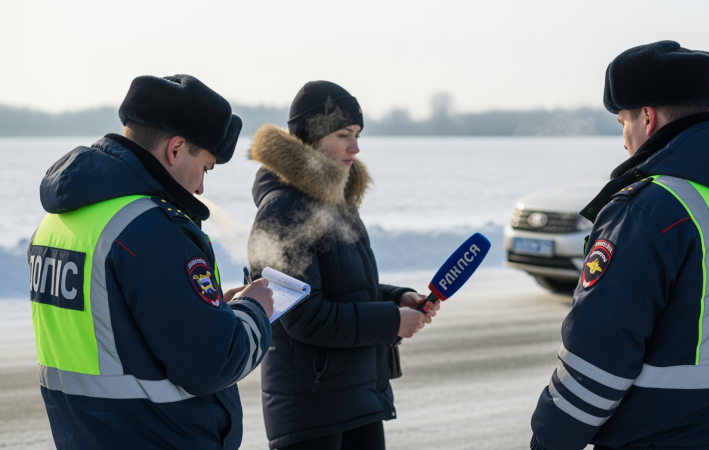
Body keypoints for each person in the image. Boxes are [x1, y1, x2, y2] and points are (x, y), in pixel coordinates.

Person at [530, 41, 709, 450]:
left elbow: (597, 358)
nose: (625, 141)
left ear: (646, 117)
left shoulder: (649, 211)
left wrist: (549, 442)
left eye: (623, 122)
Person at [29, 74, 274, 449]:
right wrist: (255, 310)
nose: (201, 189)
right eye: (206, 167)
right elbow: (213, 364)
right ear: (175, 149)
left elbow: (115, 335)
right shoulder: (153, 229)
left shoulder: (56, 222)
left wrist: (207, 311)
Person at [247, 80, 439, 450]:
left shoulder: (338, 203)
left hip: (356, 397)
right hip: (312, 410)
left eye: (357, 134)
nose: (356, 147)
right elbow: (303, 317)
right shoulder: (283, 211)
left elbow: (346, 289)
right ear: (310, 137)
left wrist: (398, 299)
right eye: (343, 134)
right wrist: (390, 320)